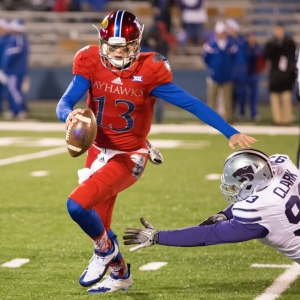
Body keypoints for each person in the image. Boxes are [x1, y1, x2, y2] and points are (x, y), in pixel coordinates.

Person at [56, 10, 258, 294]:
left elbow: (192, 104)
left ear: (136, 44)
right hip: (97, 151)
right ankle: (120, 274)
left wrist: (230, 131)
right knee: (98, 224)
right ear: (101, 43)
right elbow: (64, 102)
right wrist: (67, 114)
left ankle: (105, 251)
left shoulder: (149, 69)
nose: (117, 52)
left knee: (76, 206)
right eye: (111, 46)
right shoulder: (89, 61)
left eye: (123, 46)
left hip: (129, 156)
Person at [124, 148, 300, 266]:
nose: (232, 189)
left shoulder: (258, 210)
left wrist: (157, 236)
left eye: (235, 185)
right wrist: (224, 214)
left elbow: (208, 234)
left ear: (250, 182)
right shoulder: (282, 167)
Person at [203, 21, 237, 123]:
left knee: (227, 99)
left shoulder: (231, 45)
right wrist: (212, 68)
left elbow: (234, 58)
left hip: (227, 75)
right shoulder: (210, 45)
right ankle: (211, 119)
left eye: (222, 32)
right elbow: (206, 59)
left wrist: (229, 69)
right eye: (218, 32)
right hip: (214, 75)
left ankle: (229, 118)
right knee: (212, 98)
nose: (220, 34)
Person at [264, 22, 296, 126]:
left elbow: (292, 58)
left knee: (286, 98)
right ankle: (278, 120)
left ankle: (287, 119)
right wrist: (276, 45)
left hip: (286, 75)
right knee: (275, 98)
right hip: (274, 74)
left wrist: (291, 73)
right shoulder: (271, 43)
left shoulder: (289, 43)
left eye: (280, 31)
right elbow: (266, 55)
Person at [2, 18, 29, 120]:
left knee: (13, 90)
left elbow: (12, 52)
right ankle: (14, 110)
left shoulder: (18, 38)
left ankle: (20, 110)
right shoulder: (17, 38)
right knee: (12, 90)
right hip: (14, 70)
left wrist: (5, 63)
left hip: (15, 70)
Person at [226, 19, 248, 122]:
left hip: (242, 70)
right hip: (232, 70)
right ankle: (231, 113)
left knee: (242, 93)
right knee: (231, 94)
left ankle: (242, 113)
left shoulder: (242, 40)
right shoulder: (228, 40)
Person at [246, 32, 266, 122]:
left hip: (255, 74)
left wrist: (260, 70)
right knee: (243, 95)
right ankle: (242, 113)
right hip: (245, 74)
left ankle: (254, 113)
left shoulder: (258, 48)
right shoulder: (245, 47)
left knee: (254, 95)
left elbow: (262, 61)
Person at [0, 18, 10, 116]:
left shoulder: (8, 39)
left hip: (6, 70)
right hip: (4, 69)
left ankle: (16, 110)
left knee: (10, 90)